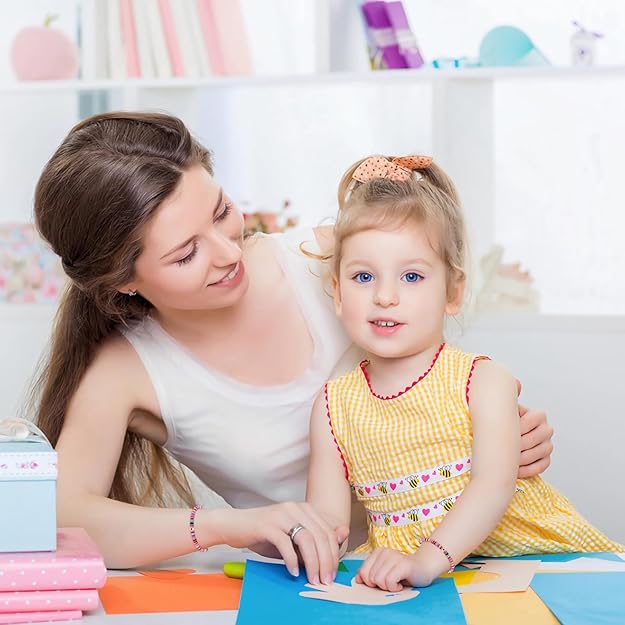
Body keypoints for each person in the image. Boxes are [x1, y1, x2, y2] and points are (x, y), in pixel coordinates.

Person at [31, 112, 554, 584]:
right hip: (336, 589)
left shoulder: (330, 259)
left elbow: (440, 367)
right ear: (122, 280)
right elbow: (63, 518)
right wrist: (231, 526)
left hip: (464, 564)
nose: (226, 252)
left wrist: (503, 434)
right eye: (186, 253)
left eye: (220, 212)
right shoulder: (125, 372)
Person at [305, 154, 624, 593]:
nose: (384, 296)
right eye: (363, 276)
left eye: (412, 275)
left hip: (529, 561)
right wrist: (305, 542)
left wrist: (425, 560)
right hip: (415, 578)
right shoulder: (332, 404)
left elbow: (493, 484)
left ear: (452, 292)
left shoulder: (482, 379)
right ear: (337, 293)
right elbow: (328, 520)